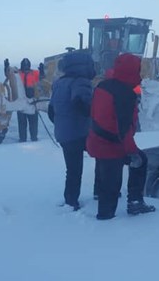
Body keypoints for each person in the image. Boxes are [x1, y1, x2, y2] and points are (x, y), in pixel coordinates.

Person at [87, 53, 155, 220]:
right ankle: (110, 217)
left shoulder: (103, 85)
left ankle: (107, 202)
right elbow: (123, 130)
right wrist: (132, 153)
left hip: (96, 140)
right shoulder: (124, 94)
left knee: (105, 178)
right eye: (138, 70)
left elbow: (94, 114)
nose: (140, 74)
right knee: (117, 179)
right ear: (132, 71)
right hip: (111, 145)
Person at [47, 52, 96, 210]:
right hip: (80, 133)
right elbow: (82, 104)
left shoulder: (59, 83)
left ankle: (70, 200)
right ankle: (101, 192)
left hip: (64, 134)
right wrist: (95, 116)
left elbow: (51, 111)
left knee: (72, 170)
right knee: (104, 158)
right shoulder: (81, 81)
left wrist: (62, 124)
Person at [18, 58, 40, 142]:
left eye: (27, 66)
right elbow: (9, 75)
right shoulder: (18, 73)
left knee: (33, 122)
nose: (26, 68)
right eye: (24, 66)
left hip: (33, 101)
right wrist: (6, 68)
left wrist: (42, 72)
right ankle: (22, 139)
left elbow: (42, 79)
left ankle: (34, 138)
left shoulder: (34, 73)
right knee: (22, 123)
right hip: (21, 101)